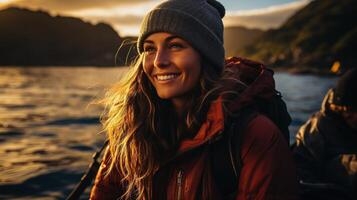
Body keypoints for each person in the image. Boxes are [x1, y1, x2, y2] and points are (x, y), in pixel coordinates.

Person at [90, 0, 298, 199]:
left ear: (206, 56)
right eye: (150, 48)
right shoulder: (132, 129)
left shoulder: (255, 137)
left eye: (175, 46)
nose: (159, 61)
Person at [293, 68, 357, 199]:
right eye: (349, 111)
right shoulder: (317, 129)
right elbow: (300, 173)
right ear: (339, 108)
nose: (353, 117)